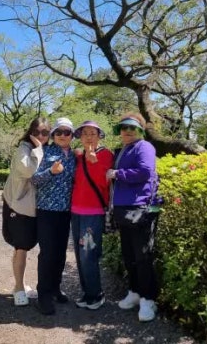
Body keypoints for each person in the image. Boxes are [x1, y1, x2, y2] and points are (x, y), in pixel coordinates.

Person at [106, 112, 160, 322]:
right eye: (123, 128)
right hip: (123, 209)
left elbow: (145, 172)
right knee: (129, 254)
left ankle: (148, 299)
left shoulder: (144, 147)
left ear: (140, 130)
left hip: (140, 208)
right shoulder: (125, 149)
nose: (127, 131)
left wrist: (118, 174)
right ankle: (135, 292)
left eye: (132, 128)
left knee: (142, 256)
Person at [1, 117, 50, 306]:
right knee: (21, 247)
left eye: (45, 133)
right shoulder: (25, 149)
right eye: (37, 132)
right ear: (30, 132)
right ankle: (19, 288)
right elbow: (29, 170)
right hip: (19, 206)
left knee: (26, 246)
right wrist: (38, 149)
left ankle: (20, 286)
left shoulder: (44, 149)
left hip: (33, 208)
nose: (41, 136)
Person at [30, 117, 77, 315]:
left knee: (60, 253)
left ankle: (56, 288)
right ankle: (43, 295)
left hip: (65, 212)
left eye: (67, 132)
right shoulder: (45, 152)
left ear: (72, 135)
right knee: (48, 253)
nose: (62, 135)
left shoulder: (75, 156)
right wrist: (51, 171)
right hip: (46, 211)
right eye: (58, 132)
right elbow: (33, 179)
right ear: (53, 135)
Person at [70, 120, 114, 310]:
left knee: (89, 254)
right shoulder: (78, 156)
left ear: (99, 136)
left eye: (93, 133)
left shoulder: (106, 154)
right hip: (75, 212)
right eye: (85, 133)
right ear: (80, 137)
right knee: (80, 254)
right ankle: (87, 293)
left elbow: (104, 183)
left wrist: (94, 161)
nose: (88, 136)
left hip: (93, 213)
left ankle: (96, 295)